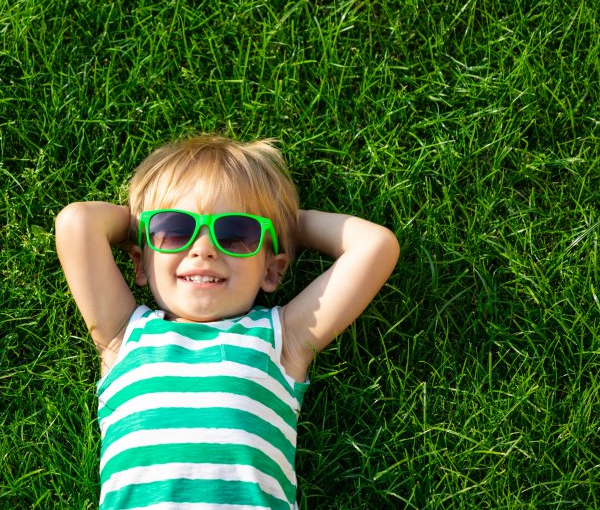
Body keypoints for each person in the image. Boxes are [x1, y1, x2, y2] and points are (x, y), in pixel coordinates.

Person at [55, 135, 399, 509]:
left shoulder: (283, 340)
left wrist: (282, 221)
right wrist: (140, 221)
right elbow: (77, 222)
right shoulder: (123, 336)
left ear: (272, 269)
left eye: (237, 233)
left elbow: (374, 246)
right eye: (175, 230)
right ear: (139, 262)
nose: (204, 248)